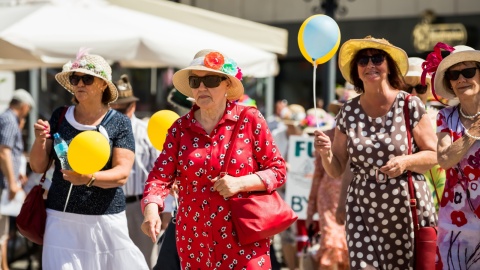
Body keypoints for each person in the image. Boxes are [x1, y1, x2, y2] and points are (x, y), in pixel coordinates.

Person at [141, 49, 287, 269]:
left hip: (244, 236)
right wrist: (151, 209)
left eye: (210, 80)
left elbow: (277, 170)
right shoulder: (180, 129)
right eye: (195, 81)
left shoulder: (250, 120)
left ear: (227, 84)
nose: (201, 87)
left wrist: (240, 183)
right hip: (195, 241)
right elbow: (159, 177)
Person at [313, 36, 438, 269]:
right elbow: (337, 168)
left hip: (404, 205)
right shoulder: (348, 111)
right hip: (362, 207)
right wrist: (326, 153)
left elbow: (433, 154)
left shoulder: (409, 104)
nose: (370, 65)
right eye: (363, 61)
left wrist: (406, 161)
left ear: (389, 66)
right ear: (356, 71)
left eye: (377, 58)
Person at [29, 49, 148, 269]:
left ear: (103, 84)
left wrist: (87, 178)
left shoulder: (119, 122)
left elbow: (122, 174)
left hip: (105, 220)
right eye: (75, 79)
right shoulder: (60, 115)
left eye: (87, 78)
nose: (80, 83)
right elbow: (37, 166)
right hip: (60, 218)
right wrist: (39, 140)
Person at [428, 44, 480, 269]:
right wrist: (472, 134)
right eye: (454, 74)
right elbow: (444, 159)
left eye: (468, 72)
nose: (462, 79)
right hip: (455, 223)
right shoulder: (445, 116)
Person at [110, 74, 162, 268]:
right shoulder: (101, 132)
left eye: (122, 109)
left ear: (132, 107)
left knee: (143, 260)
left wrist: (160, 211)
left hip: (138, 206)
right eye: (113, 108)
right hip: (108, 204)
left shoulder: (145, 131)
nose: (117, 114)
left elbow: (159, 171)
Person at [405, 57, 446, 212]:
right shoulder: (391, 120)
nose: (414, 93)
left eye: (420, 88)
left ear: (429, 90)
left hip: (439, 202)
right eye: (408, 88)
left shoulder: (441, 120)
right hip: (403, 199)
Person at [0, 89, 34, 270]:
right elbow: (4, 152)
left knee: (3, 231)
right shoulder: (9, 120)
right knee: (1, 231)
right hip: (3, 184)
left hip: (5, 182)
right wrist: (12, 182)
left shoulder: (7, 119)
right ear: (25, 106)